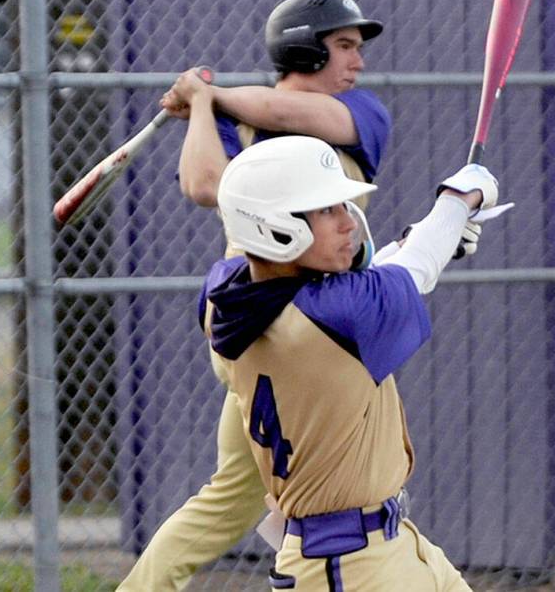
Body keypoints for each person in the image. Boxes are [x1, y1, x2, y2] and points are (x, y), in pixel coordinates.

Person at [117, 0, 393, 591]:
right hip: (271, 323)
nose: (358, 61)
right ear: (304, 48)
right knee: (344, 481)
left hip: (316, 324)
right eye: (344, 46)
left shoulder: (362, 114)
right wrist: (202, 107)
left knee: (233, 499)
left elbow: (295, 115)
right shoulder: (229, 116)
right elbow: (205, 185)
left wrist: (204, 95)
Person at [203, 135, 500, 589]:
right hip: (349, 564)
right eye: (326, 211)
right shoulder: (333, 316)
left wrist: (421, 242)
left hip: (385, 544)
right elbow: (405, 273)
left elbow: (358, 280)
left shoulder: (228, 294)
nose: (347, 223)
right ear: (274, 227)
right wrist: (459, 200)